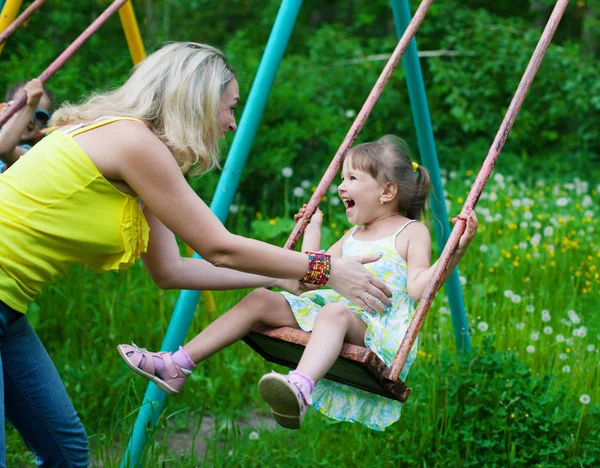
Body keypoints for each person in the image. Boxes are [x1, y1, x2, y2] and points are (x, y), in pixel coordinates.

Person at [0, 42, 393, 467]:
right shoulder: (133, 142)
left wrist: (280, 278)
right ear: (198, 101)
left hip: (9, 311)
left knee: (66, 453)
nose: (230, 123)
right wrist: (324, 269)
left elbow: (171, 270)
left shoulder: (133, 149)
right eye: (229, 107)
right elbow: (218, 246)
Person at [118, 135, 479, 432]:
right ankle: (178, 363)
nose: (342, 187)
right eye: (342, 178)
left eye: (353, 179)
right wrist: (314, 227)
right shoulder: (355, 233)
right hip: (332, 315)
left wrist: (455, 252)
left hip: (376, 329)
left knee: (335, 313)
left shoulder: (410, 231)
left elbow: (419, 288)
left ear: (386, 191)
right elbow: (311, 276)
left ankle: (301, 387)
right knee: (261, 298)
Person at [0, 78, 55, 172]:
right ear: (3, 109)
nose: (30, 119)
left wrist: (30, 107)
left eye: (40, 116)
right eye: (22, 107)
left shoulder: (29, 154)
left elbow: (3, 149)